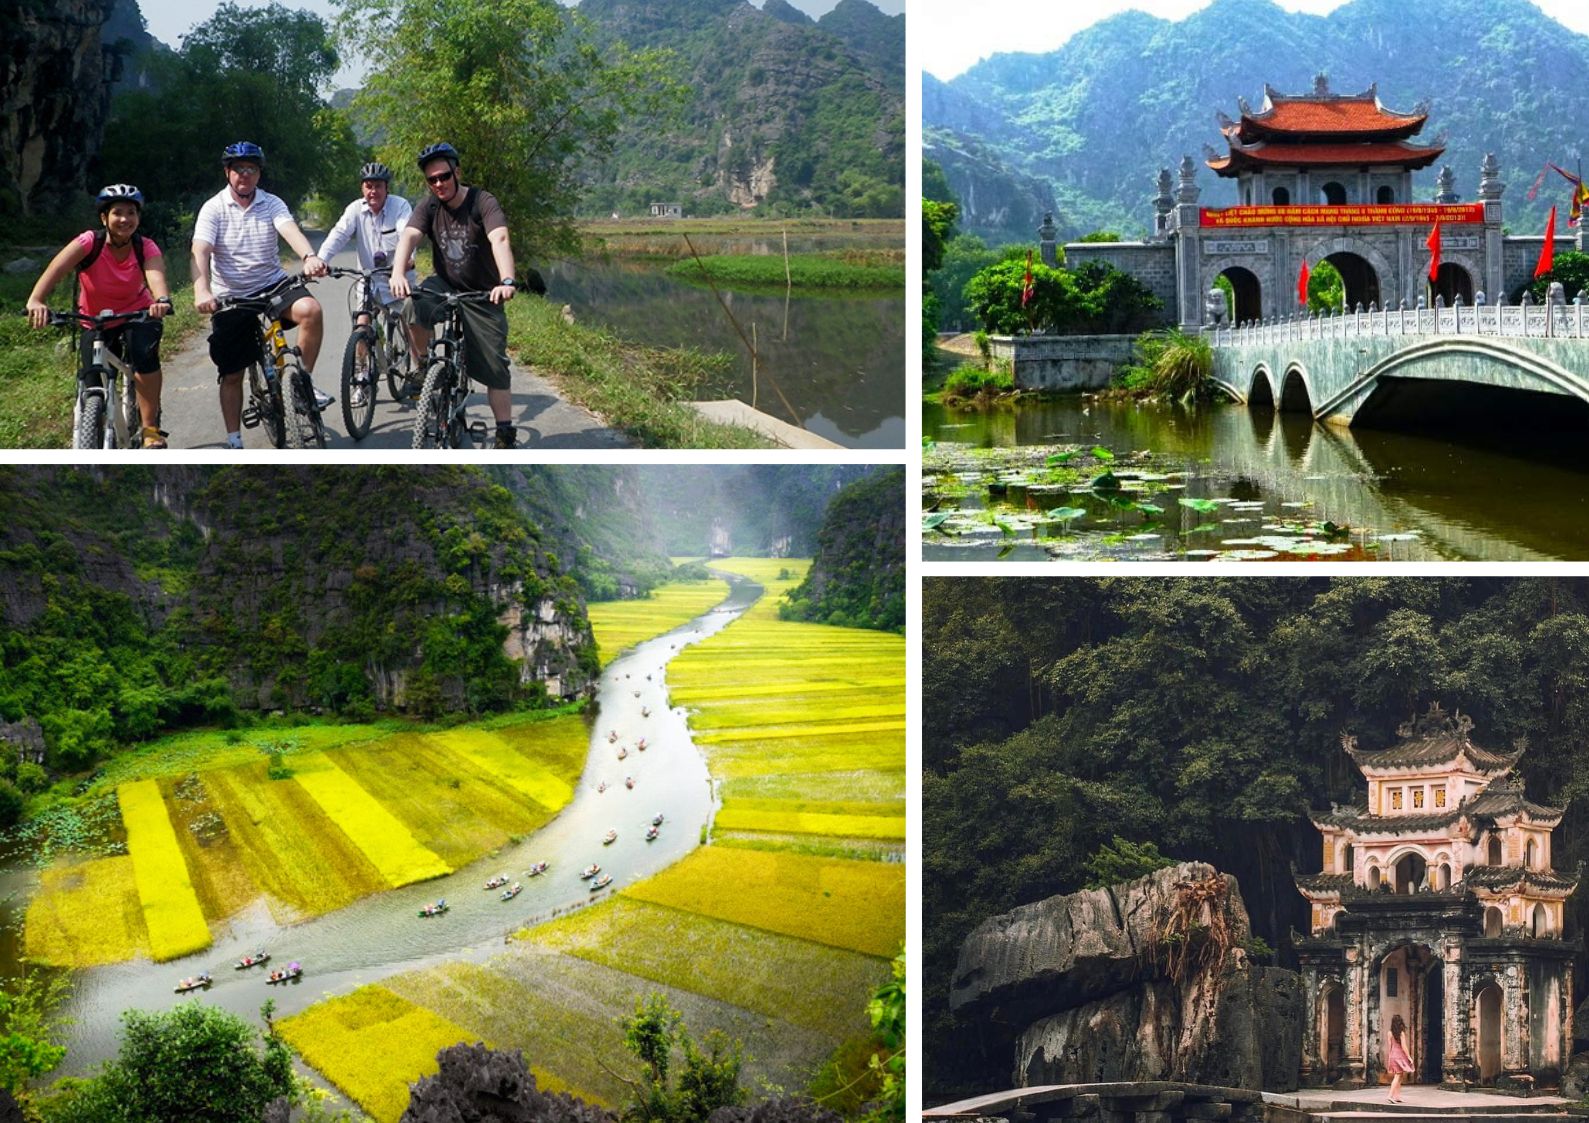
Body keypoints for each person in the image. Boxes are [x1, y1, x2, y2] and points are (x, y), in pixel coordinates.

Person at [390, 142, 541, 448]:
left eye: (444, 176)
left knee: (495, 366)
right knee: (413, 304)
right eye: (432, 180)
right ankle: (422, 368)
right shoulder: (429, 206)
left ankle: (504, 430)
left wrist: (507, 279)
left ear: (457, 172)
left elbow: (499, 238)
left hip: (484, 292)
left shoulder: (482, 202)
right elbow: (410, 235)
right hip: (445, 284)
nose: (439, 184)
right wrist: (396, 273)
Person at [192, 141, 331, 449]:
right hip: (232, 296)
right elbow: (200, 250)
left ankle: (301, 385)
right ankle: (234, 439)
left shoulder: (271, 203)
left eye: (252, 169)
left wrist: (309, 256)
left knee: (311, 310)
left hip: (272, 286)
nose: (245, 175)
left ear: (259, 173)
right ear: (228, 172)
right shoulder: (213, 208)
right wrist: (202, 289)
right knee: (231, 373)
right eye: (239, 169)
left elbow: (289, 229)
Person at [26, 184, 173, 447]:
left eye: (131, 213)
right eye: (118, 212)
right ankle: (95, 426)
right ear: (104, 218)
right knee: (92, 377)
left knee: (144, 356)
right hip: (95, 320)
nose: (125, 219)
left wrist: (161, 300)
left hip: (138, 314)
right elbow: (56, 269)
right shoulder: (88, 243)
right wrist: (37, 300)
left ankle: (150, 429)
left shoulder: (144, 246)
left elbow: (155, 275)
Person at [316, 161, 424, 403]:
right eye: (368, 186)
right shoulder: (355, 209)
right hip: (367, 279)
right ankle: (362, 380)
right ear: (362, 188)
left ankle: (420, 369)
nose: (372, 191)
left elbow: (407, 233)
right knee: (361, 325)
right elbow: (339, 234)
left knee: (409, 316)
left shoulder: (400, 206)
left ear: (387, 188)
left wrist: (407, 262)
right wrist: (320, 259)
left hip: (398, 278)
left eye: (378, 186)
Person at [1385, 1013, 1414, 1101]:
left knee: (1400, 1075)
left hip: (1393, 1055)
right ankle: (1390, 1095)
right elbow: (1404, 1047)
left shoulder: (1389, 1033)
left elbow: (1389, 1047)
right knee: (1398, 1076)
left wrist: (1389, 1058)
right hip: (1400, 1055)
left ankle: (1397, 1097)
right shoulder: (1401, 1033)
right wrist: (1409, 1057)